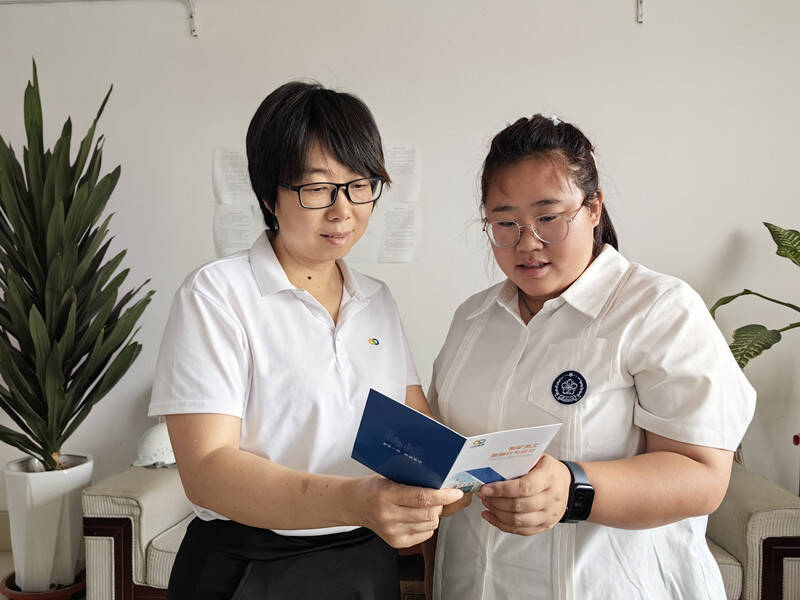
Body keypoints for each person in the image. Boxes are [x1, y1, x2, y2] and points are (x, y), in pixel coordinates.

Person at [148, 81, 464, 600]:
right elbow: (207, 472)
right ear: (268, 194)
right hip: (251, 565)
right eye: (317, 189)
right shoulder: (217, 294)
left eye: (359, 185)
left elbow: (414, 431)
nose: (343, 211)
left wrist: (468, 477)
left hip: (366, 562)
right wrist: (358, 500)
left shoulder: (376, 300)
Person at [426, 114, 755, 599]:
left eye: (548, 218)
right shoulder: (472, 319)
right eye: (505, 223)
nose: (527, 242)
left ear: (593, 207)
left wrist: (572, 487)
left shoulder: (658, 309)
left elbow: (702, 475)